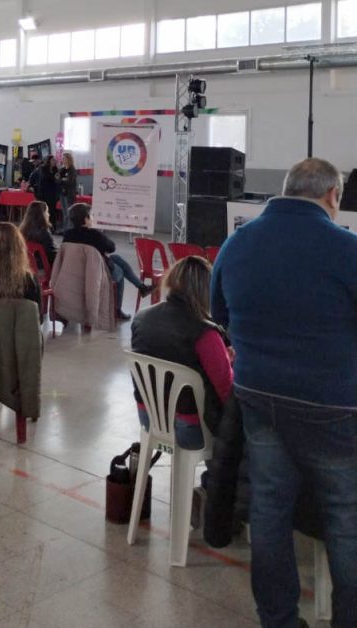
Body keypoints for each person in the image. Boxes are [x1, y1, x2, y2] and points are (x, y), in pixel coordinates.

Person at [211, 157, 357, 628]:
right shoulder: (346, 247)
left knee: (270, 511)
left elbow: (222, 317)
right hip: (332, 405)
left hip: (257, 395)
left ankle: (278, 619)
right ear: (332, 196)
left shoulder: (236, 244)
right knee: (345, 518)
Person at [132, 256, 232, 450]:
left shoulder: (141, 319)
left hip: (148, 418)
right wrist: (227, 362)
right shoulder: (205, 333)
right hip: (191, 428)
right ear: (206, 290)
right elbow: (226, 391)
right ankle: (219, 477)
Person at [63, 203, 153, 320]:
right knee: (120, 272)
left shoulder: (68, 235)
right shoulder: (95, 234)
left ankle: (141, 287)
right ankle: (118, 309)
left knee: (116, 258)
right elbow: (111, 247)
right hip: (97, 274)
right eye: (91, 215)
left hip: (77, 271)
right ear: (86, 219)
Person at [19, 200, 57, 267]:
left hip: (25, 264)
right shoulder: (44, 233)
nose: (49, 215)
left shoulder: (21, 231)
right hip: (42, 267)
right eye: (47, 212)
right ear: (42, 215)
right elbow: (51, 255)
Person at [35, 155, 61, 229]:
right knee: (44, 211)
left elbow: (57, 179)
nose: (54, 162)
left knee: (52, 211)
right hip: (44, 193)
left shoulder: (55, 169)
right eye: (52, 160)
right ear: (48, 161)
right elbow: (44, 180)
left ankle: (52, 227)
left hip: (53, 194)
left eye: (54, 160)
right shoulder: (43, 169)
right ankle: (43, 227)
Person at [59, 152, 78, 218]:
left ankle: (70, 227)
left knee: (69, 212)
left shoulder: (72, 169)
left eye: (64, 158)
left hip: (69, 194)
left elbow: (69, 181)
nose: (63, 159)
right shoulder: (62, 169)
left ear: (68, 159)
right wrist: (63, 179)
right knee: (64, 213)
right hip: (62, 193)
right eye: (62, 158)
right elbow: (58, 180)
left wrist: (63, 180)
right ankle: (66, 227)